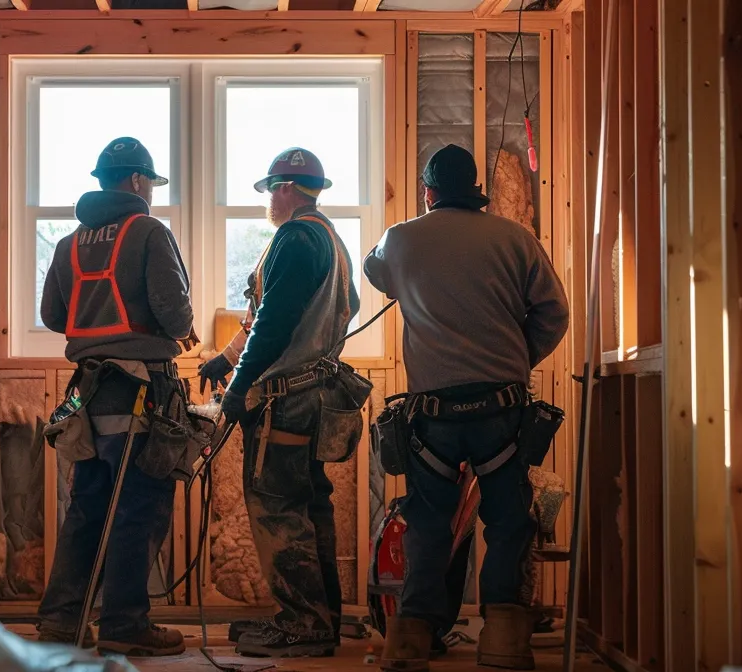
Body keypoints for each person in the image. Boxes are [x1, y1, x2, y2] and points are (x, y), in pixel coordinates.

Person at [362, 144, 569, 671]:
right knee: (507, 521)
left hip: (432, 416)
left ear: (428, 191)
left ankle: (409, 640)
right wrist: (519, 357)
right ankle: (503, 640)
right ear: (476, 189)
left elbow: (374, 271)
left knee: (429, 523)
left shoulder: (401, 239)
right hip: (502, 409)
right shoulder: (515, 239)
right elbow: (553, 312)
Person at [33, 137, 194, 657]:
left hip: (88, 395)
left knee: (87, 505)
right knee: (138, 507)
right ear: (138, 182)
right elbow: (178, 317)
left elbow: (56, 318)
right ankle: (125, 624)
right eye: (149, 182)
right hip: (139, 392)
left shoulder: (69, 244)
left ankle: (62, 619)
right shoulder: (149, 231)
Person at [199, 148, 361, 658]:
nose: (269, 199)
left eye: (272, 188)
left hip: (286, 400)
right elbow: (274, 312)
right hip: (316, 396)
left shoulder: (293, 237)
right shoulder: (332, 241)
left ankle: (301, 624)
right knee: (311, 505)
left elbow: (274, 323)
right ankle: (322, 618)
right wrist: (225, 360)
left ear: (288, 188)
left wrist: (240, 387)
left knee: (277, 507)